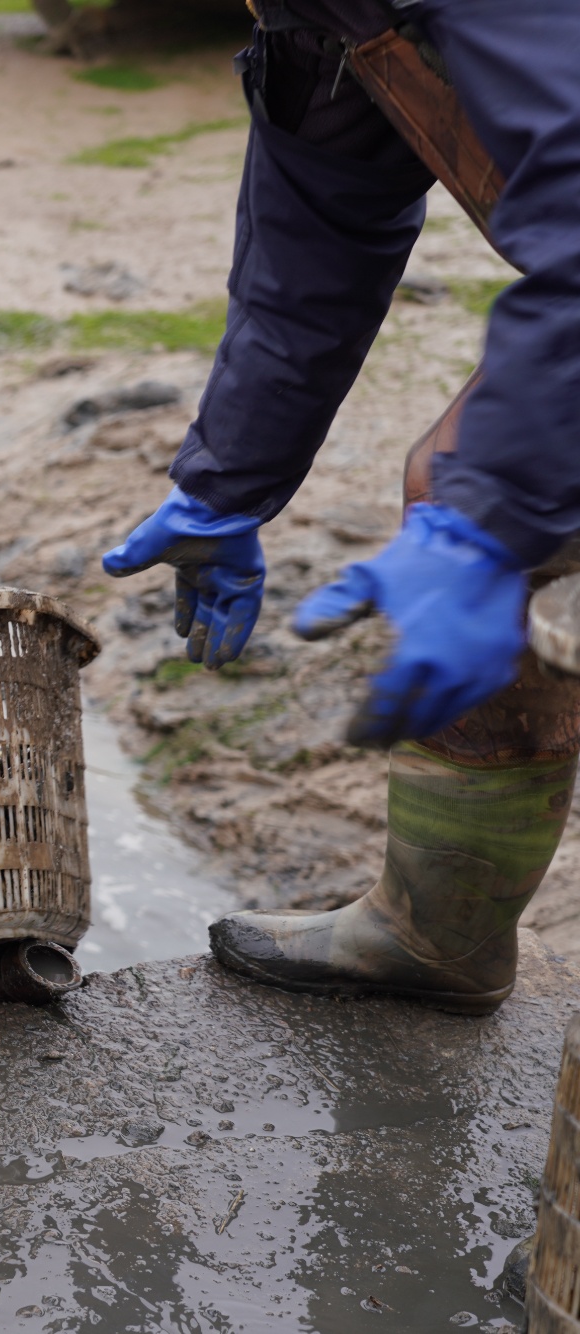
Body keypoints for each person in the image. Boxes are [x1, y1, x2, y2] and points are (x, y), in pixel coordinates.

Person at [102, 1, 580, 1014]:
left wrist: (487, 517)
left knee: (485, 489)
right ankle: (437, 935)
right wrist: (225, 481)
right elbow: (318, 227)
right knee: (471, 486)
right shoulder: (324, 12)